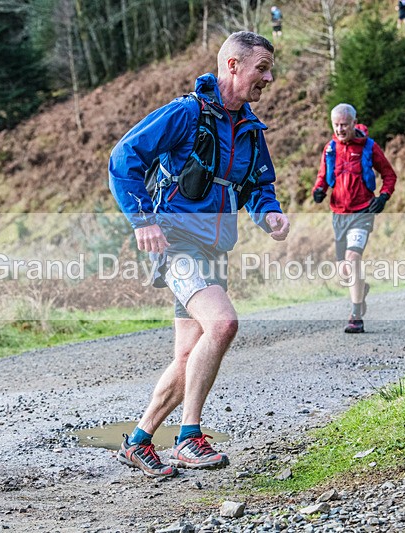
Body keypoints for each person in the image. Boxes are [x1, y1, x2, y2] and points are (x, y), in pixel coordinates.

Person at [109, 32, 290, 478]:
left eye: (270, 69)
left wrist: (270, 215)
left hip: (214, 250)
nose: (270, 77)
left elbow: (259, 187)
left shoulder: (249, 128)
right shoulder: (185, 113)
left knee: (189, 355)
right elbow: (124, 157)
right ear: (232, 65)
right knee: (224, 323)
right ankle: (190, 437)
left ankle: (138, 441)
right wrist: (143, 219)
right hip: (176, 242)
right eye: (262, 68)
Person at [311, 103, 397, 334]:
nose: (340, 129)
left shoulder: (369, 146)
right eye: (336, 125)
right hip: (339, 214)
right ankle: (361, 289)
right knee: (344, 272)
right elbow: (322, 177)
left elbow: (389, 175)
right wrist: (318, 191)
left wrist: (383, 197)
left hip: (362, 212)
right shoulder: (330, 148)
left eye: (344, 125)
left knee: (353, 258)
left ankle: (355, 315)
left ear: (353, 123)